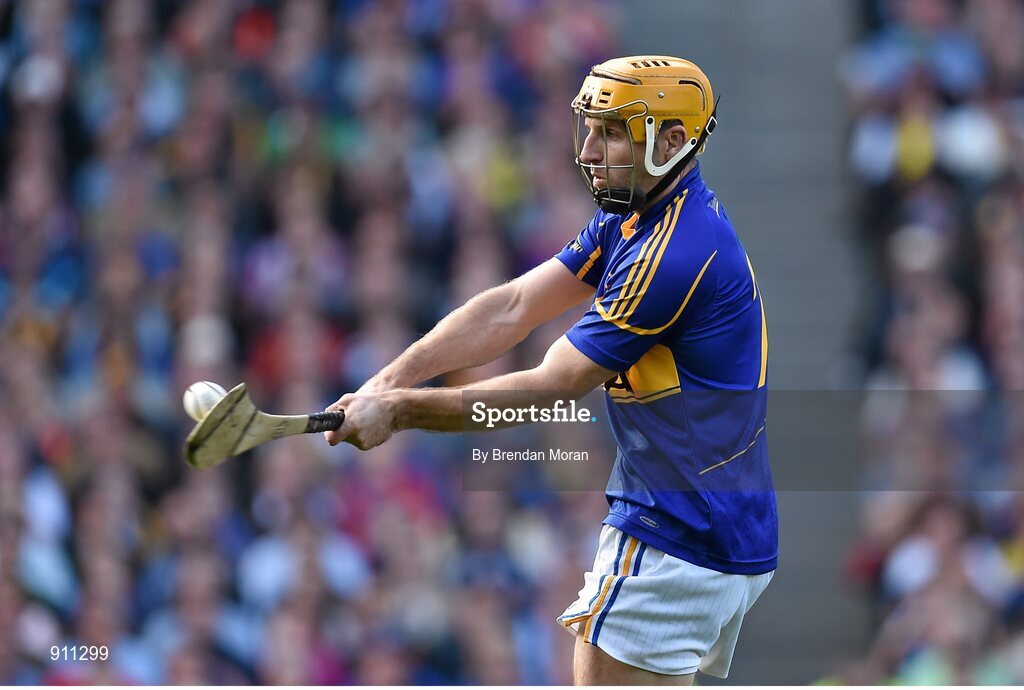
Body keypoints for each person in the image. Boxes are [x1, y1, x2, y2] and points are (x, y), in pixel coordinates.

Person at [324, 56, 777, 685]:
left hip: (678, 535)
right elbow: (512, 307)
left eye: (613, 132)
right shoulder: (638, 211)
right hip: (722, 528)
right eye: (588, 128)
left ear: (673, 141)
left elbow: (549, 387)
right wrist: (388, 380)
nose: (589, 151)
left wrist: (401, 412)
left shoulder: (672, 254)